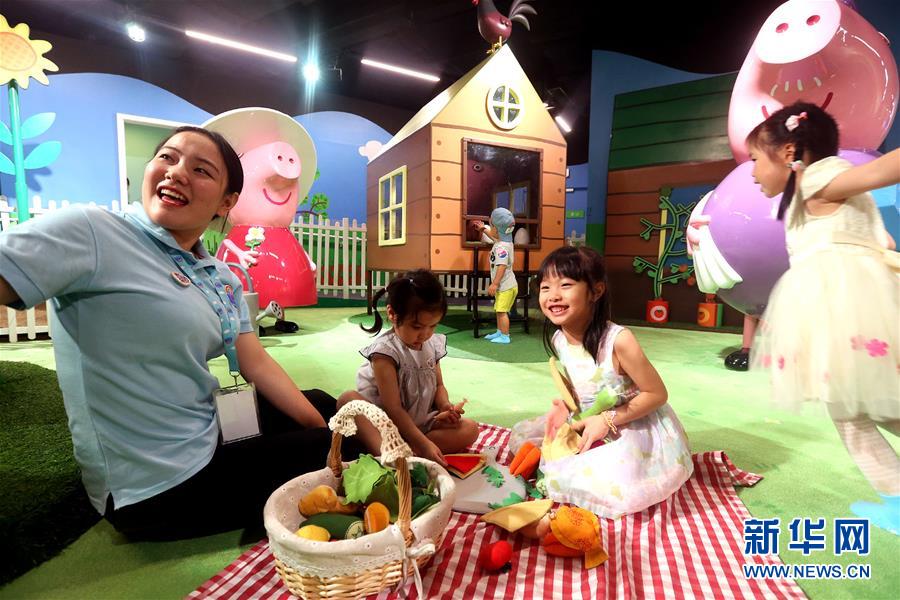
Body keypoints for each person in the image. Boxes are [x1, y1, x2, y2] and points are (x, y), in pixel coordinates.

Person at [0, 126, 358, 540]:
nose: (176, 172)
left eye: (201, 169)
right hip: (157, 486)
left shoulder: (217, 273)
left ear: (226, 202)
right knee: (346, 446)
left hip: (208, 429)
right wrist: (322, 442)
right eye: (167, 158)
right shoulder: (94, 231)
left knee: (323, 406)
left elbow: (255, 361)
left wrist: (317, 426)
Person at [746, 102, 900, 534]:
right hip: (864, 307)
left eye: (755, 159)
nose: (752, 172)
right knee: (873, 402)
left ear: (789, 151)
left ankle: (897, 501)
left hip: (843, 309)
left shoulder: (817, 178)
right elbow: (882, 240)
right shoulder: (824, 193)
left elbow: (880, 170)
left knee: (851, 412)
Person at [510, 246, 693, 523]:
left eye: (566, 285)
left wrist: (607, 420)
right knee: (526, 437)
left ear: (596, 291)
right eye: (545, 287)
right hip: (588, 417)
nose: (553, 295)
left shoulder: (618, 341)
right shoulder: (560, 338)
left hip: (631, 422)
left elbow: (657, 393)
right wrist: (566, 406)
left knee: (608, 484)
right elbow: (581, 385)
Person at [339, 269, 480, 466]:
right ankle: (394, 454)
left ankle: (408, 451)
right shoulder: (385, 353)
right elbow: (393, 408)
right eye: (417, 327)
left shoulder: (431, 345)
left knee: (471, 429)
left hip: (421, 424)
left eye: (433, 326)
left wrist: (444, 406)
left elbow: (439, 386)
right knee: (348, 400)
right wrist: (424, 443)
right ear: (392, 314)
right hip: (384, 427)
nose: (425, 334)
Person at [472, 207, 518, 344]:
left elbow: (502, 266)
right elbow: (495, 237)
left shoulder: (501, 248)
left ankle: (505, 336)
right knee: (499, 310)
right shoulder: (505, 242)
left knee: (502, 311)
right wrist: (483, 229)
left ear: (497, 230)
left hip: (505, 286)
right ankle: (500, 331)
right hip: (505, 286)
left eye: (491, 226)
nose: (489, 228)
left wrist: (495, 284)